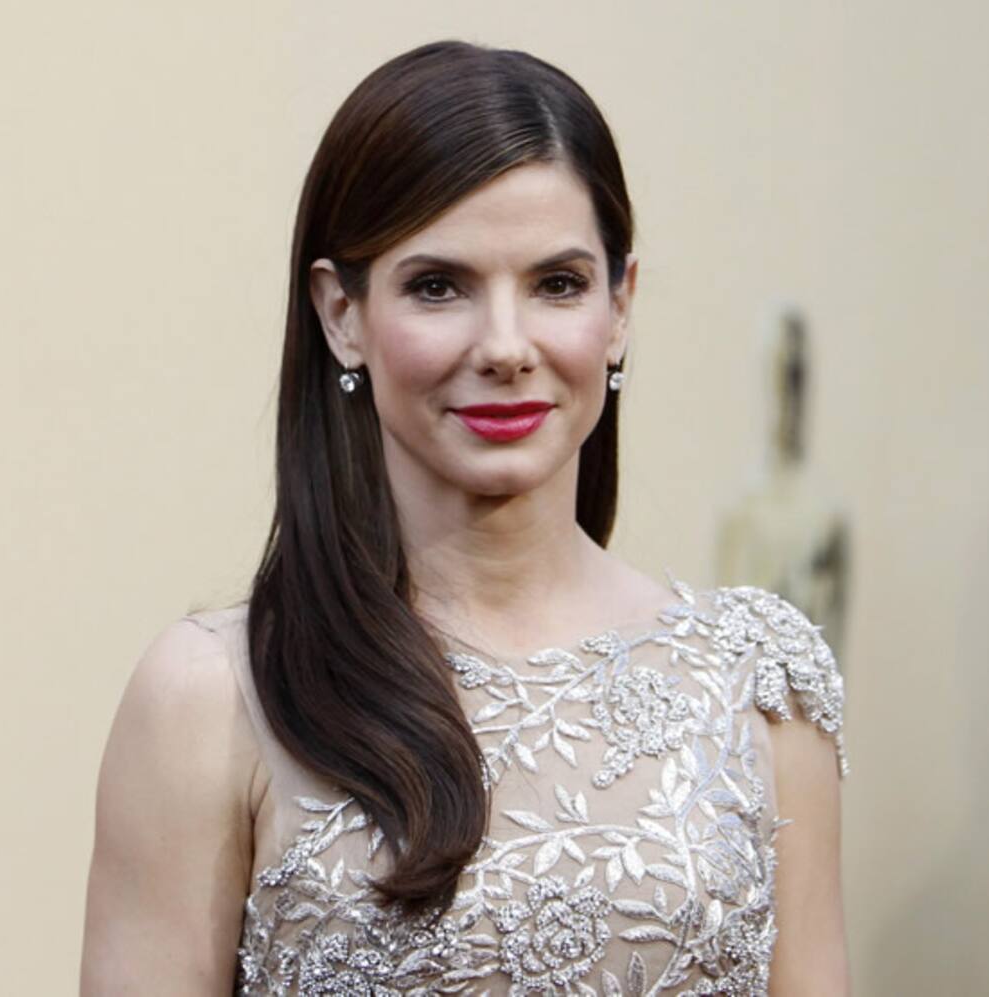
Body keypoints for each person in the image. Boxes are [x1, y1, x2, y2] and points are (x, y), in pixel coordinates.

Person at [80, 39, 850, 995]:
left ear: (620, 306)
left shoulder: (762, 685)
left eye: (557, 284)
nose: (505, 347)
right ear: (341, 313)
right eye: (438, 286)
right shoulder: (212, 697)